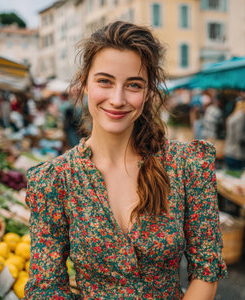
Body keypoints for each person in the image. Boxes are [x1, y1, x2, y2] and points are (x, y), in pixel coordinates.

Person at [25, 21, 227, 299]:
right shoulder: (54, 181)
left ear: (147, 92)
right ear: (84, 84)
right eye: (105, 81)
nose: (117, 99)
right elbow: (46, 288)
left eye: (133, 85)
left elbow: (206, 270)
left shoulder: (187, 165)